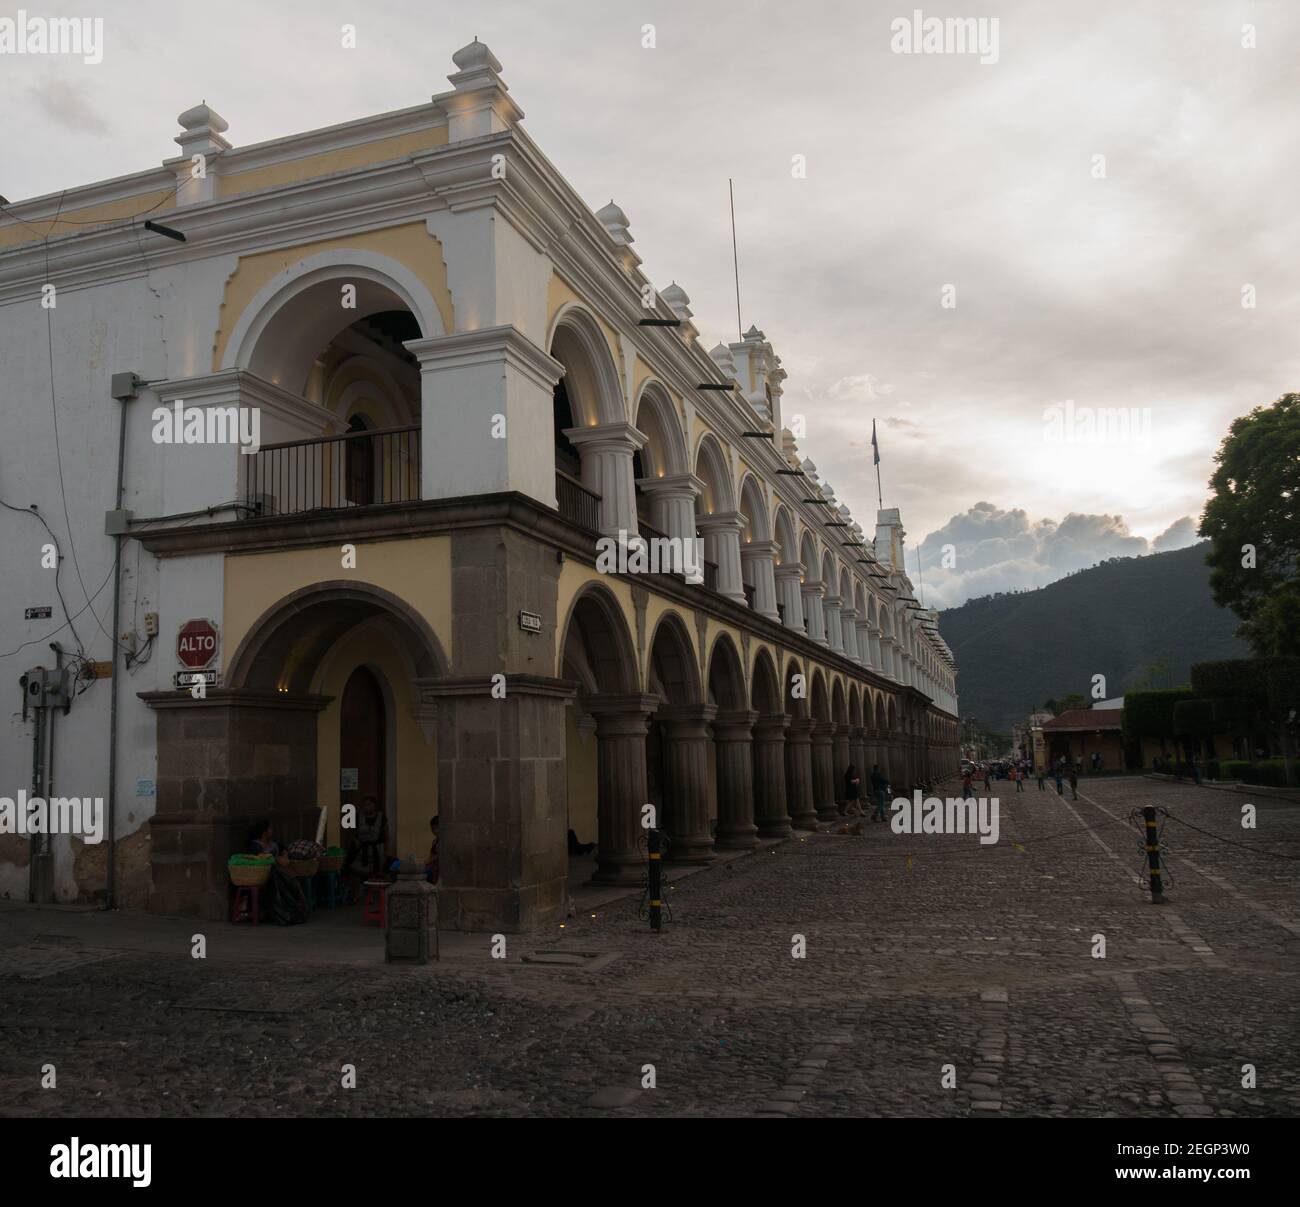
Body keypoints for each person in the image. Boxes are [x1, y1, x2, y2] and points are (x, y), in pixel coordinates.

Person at [246, 820, 307, 925]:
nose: (272, 831)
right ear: (264, 832)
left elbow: (284, 849)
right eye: (270, 829)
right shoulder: (255, 845)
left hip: (282, 871)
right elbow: (256, 859)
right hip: (268, 874)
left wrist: (284, 856)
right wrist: (274, 859)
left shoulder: (274, 844)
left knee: (294, 880)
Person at [425, 815, 440, 884]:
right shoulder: (435, 841)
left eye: (436, 828)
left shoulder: (444, 842)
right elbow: (432, 853)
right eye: (432, 829)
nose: (434, 831)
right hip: (432, 865)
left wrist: (429, 861)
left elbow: (439, 855)